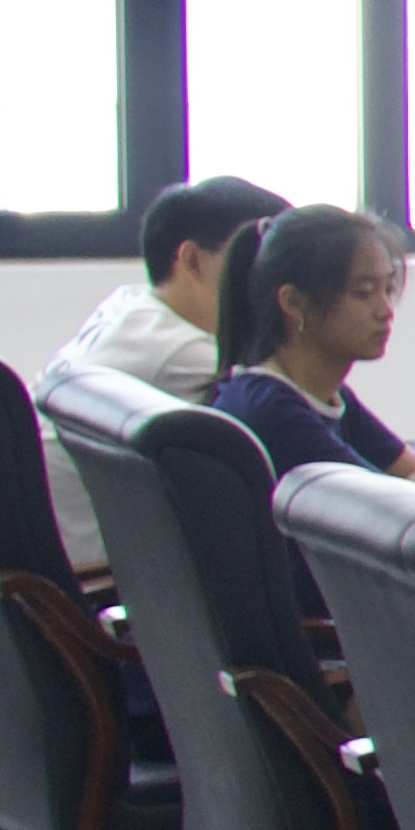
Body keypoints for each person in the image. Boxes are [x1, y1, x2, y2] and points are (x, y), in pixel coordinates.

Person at [39, 171, 281, 565]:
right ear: (192, 260)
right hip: (97, 573)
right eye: (254, 262)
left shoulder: (128, 305)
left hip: (64, 555)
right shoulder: (184, 353)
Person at [206, 204, 410, 486]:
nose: (386, 311)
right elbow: (388, 501)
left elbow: (413, 474)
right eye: (363, 293)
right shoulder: (275, 414)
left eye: (388, 289)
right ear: (293, 302)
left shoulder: (329, 395)